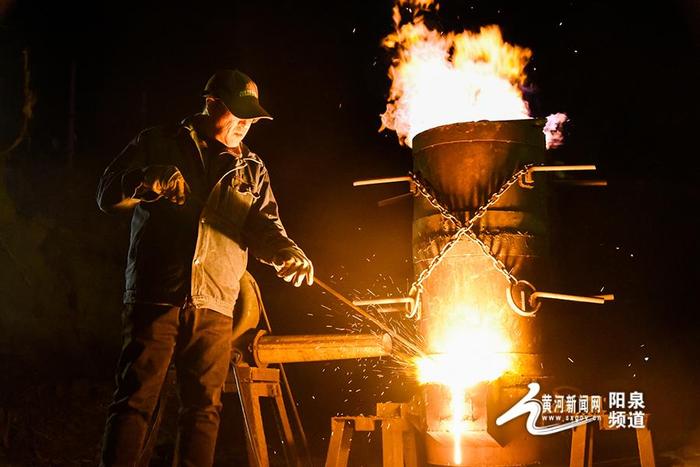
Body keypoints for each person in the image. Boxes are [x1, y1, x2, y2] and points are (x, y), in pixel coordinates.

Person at [96, 69, 313, 466]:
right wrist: (148, 179)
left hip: (214, 301)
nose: (245, 126)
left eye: (251, 119)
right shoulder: (158, 143)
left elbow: (265, 226)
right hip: (155, 293)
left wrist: (287, 251)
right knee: (136, 402)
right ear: (211, 103)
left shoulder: (252, 169)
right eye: (238, 115)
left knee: (203, 410)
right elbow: (106, 195)